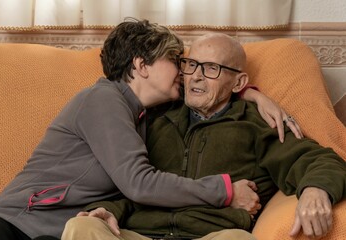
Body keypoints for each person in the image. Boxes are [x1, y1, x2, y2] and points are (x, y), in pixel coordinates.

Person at [0, 19, 301, 240]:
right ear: (141, 66)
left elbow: (213, 91)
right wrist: (224, 191)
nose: (185, 72)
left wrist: (251, 93)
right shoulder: (102, 100)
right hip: (13, 226)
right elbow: (139, 183)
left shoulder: (145, 113)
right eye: (176, 60)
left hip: (53, 232)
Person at [62, 33, 346, 240]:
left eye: (211, 68)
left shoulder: (255, 124)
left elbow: (319, 160)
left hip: (211, 235)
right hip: (140, 233)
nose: (196, 76)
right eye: (191, 65)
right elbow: (128, 180)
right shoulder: (156, 117)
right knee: (81, 227)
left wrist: (315, 190)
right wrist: (106, 208)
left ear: (239, 82)